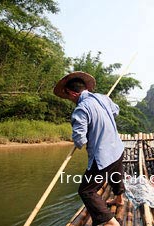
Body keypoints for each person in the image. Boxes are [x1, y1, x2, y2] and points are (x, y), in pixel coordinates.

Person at [54, 71, 125, 226]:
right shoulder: (103, 98)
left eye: (68, 96)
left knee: (86, 191)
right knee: (116, 172)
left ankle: (112, 222)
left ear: (72, 93)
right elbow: (116, 110)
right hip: (117, 148)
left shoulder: (81, 109)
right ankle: (120, 199)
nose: (69, 99)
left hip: (104, 155)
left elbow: (80, 140)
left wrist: (82, 137)